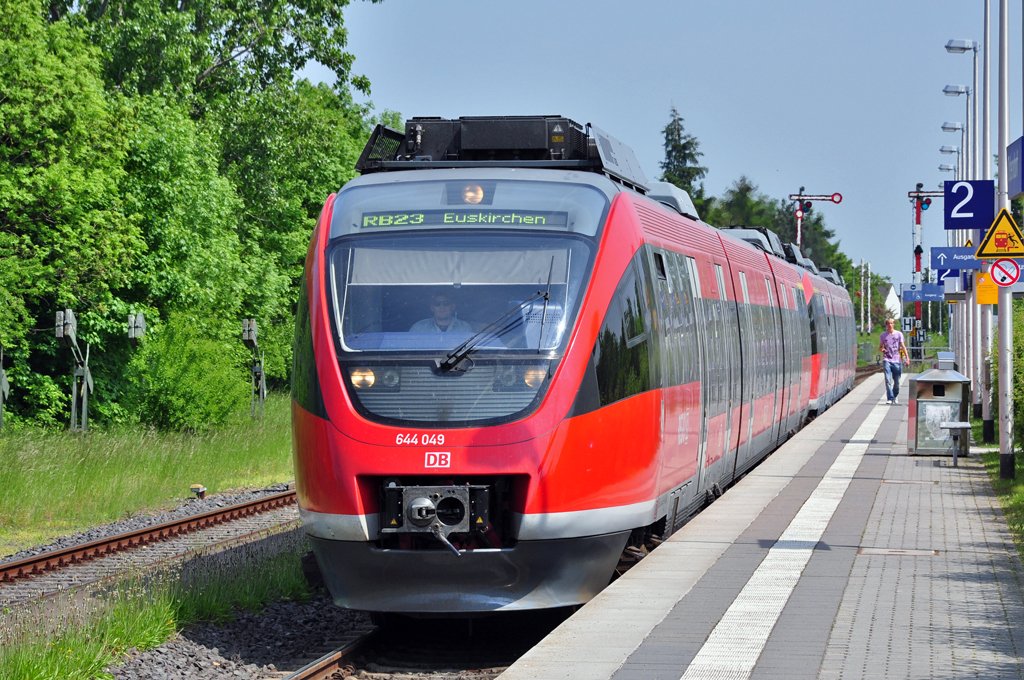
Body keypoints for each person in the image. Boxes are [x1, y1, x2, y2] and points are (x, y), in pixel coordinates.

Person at [409, 291, 474, 335]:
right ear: (432, 308)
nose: (442, 307)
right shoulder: (418, 328)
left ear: (452, 307)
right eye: (437, 304)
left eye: (446, 303)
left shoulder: (464, 328)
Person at [879, 317, 910, 405]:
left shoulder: (899, 334)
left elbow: (903, 347)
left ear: (894, 324)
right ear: (886, 325)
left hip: (897, 360)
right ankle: (890, 398)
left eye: (892, 323)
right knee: (888, 380)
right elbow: (880, 347)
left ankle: (895, 395)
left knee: (897, 381)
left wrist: (907, 358)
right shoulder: (883, 335)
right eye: (888, 323)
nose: (890, 325)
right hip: (887, 359)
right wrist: (882, 350)